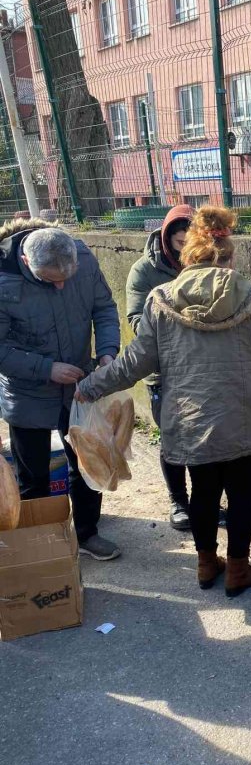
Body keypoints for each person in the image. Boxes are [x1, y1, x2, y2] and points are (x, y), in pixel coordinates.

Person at [76, 206, 251, 593]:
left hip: (190, 417)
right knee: (243, 493)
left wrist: (92, 385)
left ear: (187, 258)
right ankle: (238, 570)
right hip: (244, 412)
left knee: (203, 491)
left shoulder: (159, 300)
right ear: (228, 255)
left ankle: (205, 564)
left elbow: (133, 363)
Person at [0, 220, 121, 560]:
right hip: (26, 395)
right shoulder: (3, 280)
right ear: (27, 263)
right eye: (53, 280)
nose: (63, 285)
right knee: (33, 475)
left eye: (68, 277)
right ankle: (42, 543)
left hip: (79, 388)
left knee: (87, 463)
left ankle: (86, 533)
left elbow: (104, 308)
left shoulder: (82, 257)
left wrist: (109, 350)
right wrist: (46, 369)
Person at [125, 204, 227, 532]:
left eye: (189, 240)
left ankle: (204, 501)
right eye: (178, 240)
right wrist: (178, 322)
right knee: (172, 439)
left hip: (201, 367)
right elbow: (137, 320)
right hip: (164, 373)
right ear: (168, 237)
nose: (184, 246)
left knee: (203, 440)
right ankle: (178, 500)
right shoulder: (145, 271)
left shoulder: (207, 261)